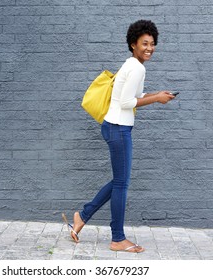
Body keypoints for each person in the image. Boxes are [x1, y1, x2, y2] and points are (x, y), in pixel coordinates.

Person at [62, 20, 175, 253]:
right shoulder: (137, 67)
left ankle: (81, 217)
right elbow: (126, 102)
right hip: (119, 128)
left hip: (113, 126)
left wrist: (157, 94)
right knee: (121, 184)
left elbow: (133, 95)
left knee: (118, 182)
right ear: (133, 44)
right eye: (144, 43)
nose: (149, 48)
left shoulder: (130, 64)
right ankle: (117, 239)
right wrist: (156, 100)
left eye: (152, 44)